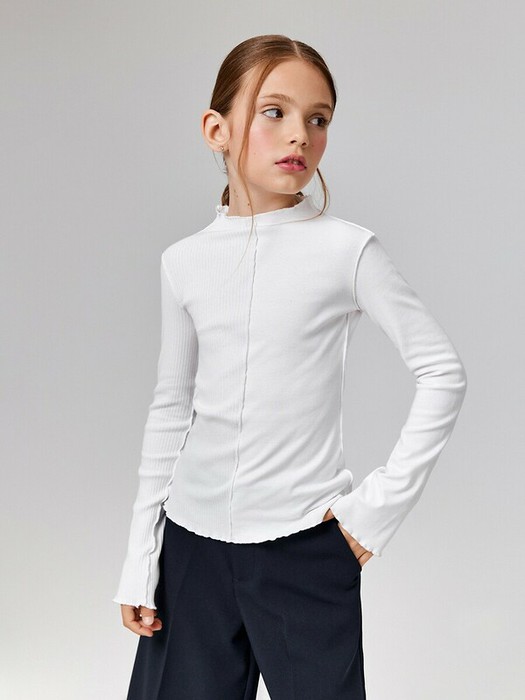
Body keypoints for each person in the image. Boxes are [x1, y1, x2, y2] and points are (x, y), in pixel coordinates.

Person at [112, 34, 467, 700]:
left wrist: (372, 515)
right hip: (189, 549)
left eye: (318, 118)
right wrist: (141, 556)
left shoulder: (345, 251)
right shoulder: (184, 262)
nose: (300, 133)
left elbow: (442, 372)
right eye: (273, 111)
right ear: (216, 129)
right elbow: (171, 406)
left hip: (303, 548)